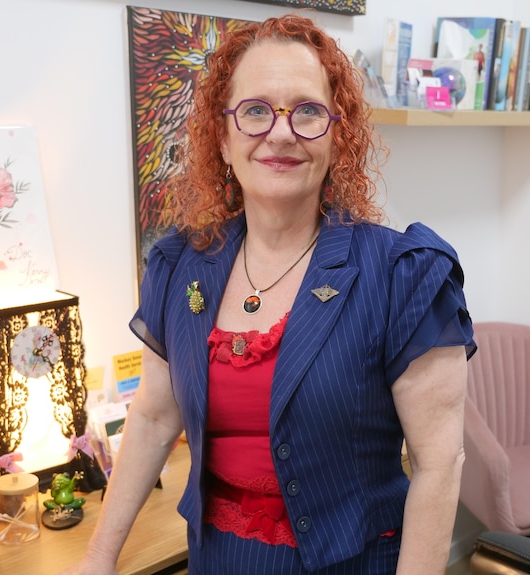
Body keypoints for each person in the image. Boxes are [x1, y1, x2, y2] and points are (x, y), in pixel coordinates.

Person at [60, 13, 475, 575]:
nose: (280, 133)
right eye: (255, 111)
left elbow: (438, 464)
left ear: (337, 136)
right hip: (218, 559)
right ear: (223, 138)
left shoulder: (402, 275)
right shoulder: (178, 266)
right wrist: (98, 558)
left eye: (308, 111)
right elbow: (155, 418)